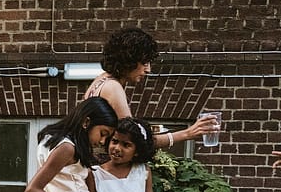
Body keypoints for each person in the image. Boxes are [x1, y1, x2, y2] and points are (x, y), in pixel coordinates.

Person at [85, 27, 216, 149]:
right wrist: (188, 133)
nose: (148, 70)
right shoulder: (113, 88)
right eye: (144, 63)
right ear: (128, 60)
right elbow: (137, 140)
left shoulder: (101, 79)